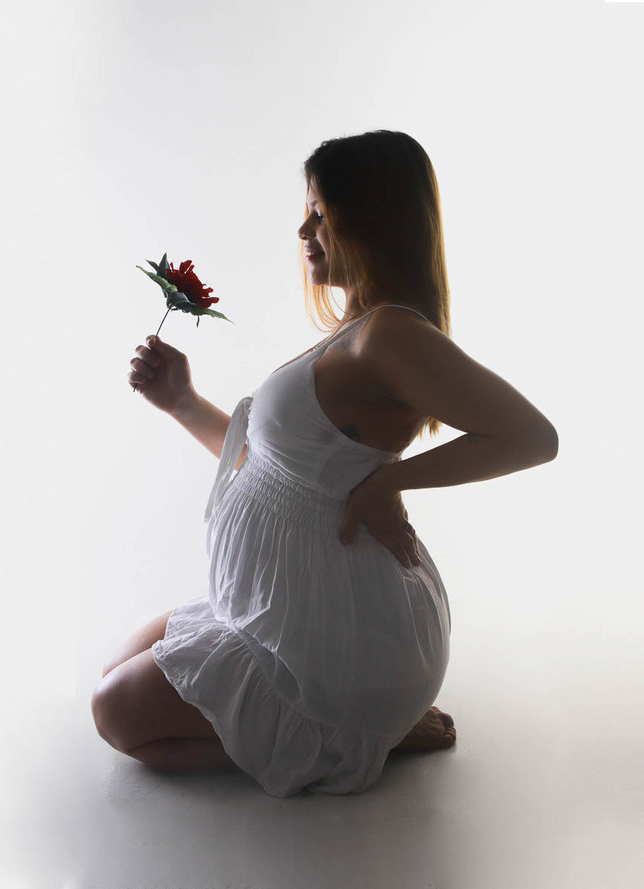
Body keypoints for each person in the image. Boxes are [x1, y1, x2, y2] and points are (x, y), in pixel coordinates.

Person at [90, 130, 559, 797]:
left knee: (113, 712)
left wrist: (389, 480)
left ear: (372, 218)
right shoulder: (357, 329)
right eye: (306, 209)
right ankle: (366, 721)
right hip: (291, 610)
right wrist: (182, 402)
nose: (303, 229)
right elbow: (278, 471)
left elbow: (532, 436)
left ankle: (353, 734)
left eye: (320, 211)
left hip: (342, 638)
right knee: (113, 671)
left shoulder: (390, 334)